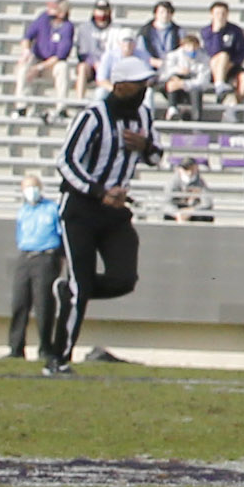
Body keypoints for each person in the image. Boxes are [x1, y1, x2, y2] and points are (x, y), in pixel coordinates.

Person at [46, 86, 151, 371]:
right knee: (82, 283)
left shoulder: (144, 116)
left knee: (124, 278)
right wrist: (98, 191)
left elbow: (155, 156)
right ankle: (58, 359)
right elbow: (65, 161)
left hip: (115, 211)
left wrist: (146, 146)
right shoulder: (92, 117)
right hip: (81, 207)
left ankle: (70, 292)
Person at [5, 173, 63, 365]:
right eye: (27, 187)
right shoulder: (23, 211)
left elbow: (61, 233)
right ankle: (15, 348)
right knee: (19, 303)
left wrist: (57, 258)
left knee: (44, 304)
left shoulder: (52, 209)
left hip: (46, 256)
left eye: (33, 186)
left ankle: (45, 348)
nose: (31, 191)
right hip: (26, 256)